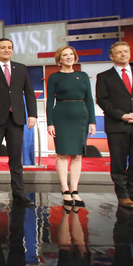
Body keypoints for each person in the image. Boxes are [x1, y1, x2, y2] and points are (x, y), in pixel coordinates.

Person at [95, 41, 133, 211]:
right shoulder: (104, 76)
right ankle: (123, 195)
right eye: (119, 52)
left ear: (130, 54)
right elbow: (102, 100)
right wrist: (121, 115)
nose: (123, 54)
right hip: (117, 125)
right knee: (119, 162)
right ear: (111, 56)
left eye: (125, 51)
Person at [0, 38, 38, 208]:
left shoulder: (21, 68)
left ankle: (19, 193)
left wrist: (32, 114)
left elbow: (29, 93)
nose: (6, 50)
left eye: (9, 47)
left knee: (16, 160)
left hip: (16, 119)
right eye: (3, 48)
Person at [46, 46, 96, 208]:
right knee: (62, 154)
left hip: (81, 115)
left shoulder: (82, 76)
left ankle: (74, 189)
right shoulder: (54, 77)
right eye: (65, 55)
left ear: (75, 57)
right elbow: (49, 102)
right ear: (59, 59)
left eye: (71, 55)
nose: (69, 57)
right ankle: (65, 189)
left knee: (77, 155)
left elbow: (89, 99)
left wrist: (92, 121)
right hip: (61, 115)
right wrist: (50, 123)